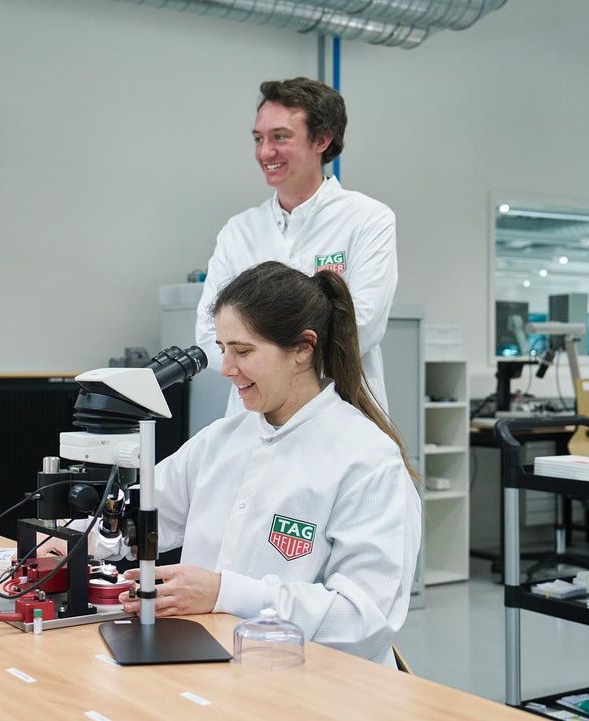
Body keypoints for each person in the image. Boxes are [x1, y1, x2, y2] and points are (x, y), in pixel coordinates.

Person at [99, 261, 421, 666]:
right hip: (213, 665)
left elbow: (362, 618)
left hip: (320, 686)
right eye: (222, 350)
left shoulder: (367, 459)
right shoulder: (220, 441)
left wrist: (224, 593)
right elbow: (139, 517)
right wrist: (76, 538)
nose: (227, 369)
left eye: (243, 351)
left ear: (303, 348)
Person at [196, 77, 397, 416]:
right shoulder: (239, 230)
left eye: (280, 137)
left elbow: (360, 327)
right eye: (259, 138)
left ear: (322, 139)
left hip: (338, 413)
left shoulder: (368, 219)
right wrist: (280, 354)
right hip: (252, 419)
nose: (264, 152)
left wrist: (258, 353)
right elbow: (207, 333)